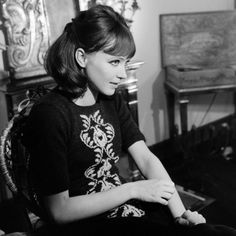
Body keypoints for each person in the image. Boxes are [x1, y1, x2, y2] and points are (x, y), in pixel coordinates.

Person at [23, 4, 236, 236]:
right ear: (82, 57)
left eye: (125, 62)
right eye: (115, 62)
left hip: (124, 209)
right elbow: (59, 211)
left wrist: (180, 215)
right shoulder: (50, 114)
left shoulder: (109, 99)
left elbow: (145, 158)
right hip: (87, 225)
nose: (123, 74)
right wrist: (133, 190)